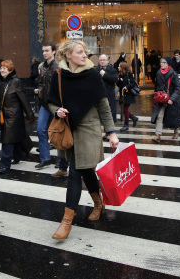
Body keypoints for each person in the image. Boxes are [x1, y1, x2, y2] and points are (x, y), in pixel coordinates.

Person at [47, 40, 118, 240]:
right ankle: (98, 203)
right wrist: (57, 111)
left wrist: (111, 132)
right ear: (67, 55)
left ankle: (66, 221)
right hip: (69, 130)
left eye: (85, 52)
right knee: (86, 171)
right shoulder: (59, 76)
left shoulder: (93, 75)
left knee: (74, 173)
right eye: (79, 52)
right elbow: (51, 102)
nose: (84, 55)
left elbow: (104, 106)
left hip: (89, 130)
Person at [0, 60, 35, 174]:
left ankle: (4, 165)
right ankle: (18, 156)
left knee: (7, 141)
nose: (2, 70)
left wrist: (30, 115)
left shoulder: (16, 82)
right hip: (4, 115)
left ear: (10, 70)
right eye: (1, 68)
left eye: (5, 68)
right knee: (13, 138)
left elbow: (23, 99)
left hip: (14, 116)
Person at [34, 43, 58, 170]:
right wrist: (39, 90)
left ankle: (62, 161)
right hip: (44, 103)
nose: (44, 53)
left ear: (53, 51)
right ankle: (45, 158)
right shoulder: (42, 66)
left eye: (47, 51)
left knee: (58, 131)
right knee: (40, 130)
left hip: (55, 104)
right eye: (43, 51)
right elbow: (42, 83)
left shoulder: (58, 66)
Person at [151, 57, 180, 142]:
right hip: (161, 98)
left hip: (171, 98)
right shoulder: (158, 73)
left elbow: (177, 88)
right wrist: (157, 95)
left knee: (173, 115)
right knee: (159, 115)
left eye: (164, 62)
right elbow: (157, 86)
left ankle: (176, 132)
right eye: (161, 62)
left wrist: (172, 99)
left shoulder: (173, 74)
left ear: (168, 64)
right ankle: (158, 134)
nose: (162, 64)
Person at [117, 62, 138, 132]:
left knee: (125, 110)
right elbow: (118, 84)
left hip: (128, 95)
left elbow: (133, 83)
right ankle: (133, 118)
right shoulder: (120, 74)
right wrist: (119, 80)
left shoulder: (129, 73)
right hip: (122, 94)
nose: (118, 67)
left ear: (123, 67)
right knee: (124, 110)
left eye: (119, 66)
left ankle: (126, 125)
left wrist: (127, 87)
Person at [98, 54, 119, 124]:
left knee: (111, 109)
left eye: (104, 60)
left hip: (109, 93)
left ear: (107, 61)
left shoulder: (113, 70)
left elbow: (114, 79)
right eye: (101, 60)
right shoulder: (96, 70)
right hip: (100, 93)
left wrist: (104, 75)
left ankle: (111, 124)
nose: (102, 61)